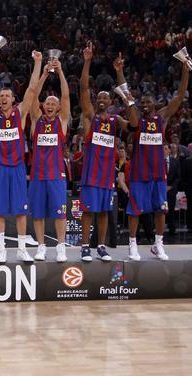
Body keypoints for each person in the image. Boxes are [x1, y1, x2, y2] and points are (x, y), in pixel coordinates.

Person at [79, 46, 138, 262]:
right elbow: (84, 89)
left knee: (104, 212)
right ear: (96, 101)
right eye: (100, 97)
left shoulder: (115, 121)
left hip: (106, 176)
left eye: (106, 97)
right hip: (90, 176)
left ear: (111, 102)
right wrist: (87, 61)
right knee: (87, 211)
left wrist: (127, 98)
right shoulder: (90, 117)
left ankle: (101, 246)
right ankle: (85, 247)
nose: (102, 99)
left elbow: (134, 124)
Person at [0, 47, 42, 263]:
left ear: (13, 99)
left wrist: (37, 64)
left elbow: (33, 89)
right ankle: (1, 250)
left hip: (17, 167)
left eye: (7, 95)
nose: (3, 97)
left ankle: (21, 248)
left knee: (20, 212)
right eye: (2, 96)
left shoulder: (21, 113)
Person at [126, 63, 188, 260]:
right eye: (142, 102)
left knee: (161, 210)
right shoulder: (136, 119)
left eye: (148, 102)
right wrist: (119, 72)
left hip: (157, 174)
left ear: (155, 104)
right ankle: (132, 245)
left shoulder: (162, 117)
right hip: (138, 173)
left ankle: (158, 244)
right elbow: (125, 94)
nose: (144, 105)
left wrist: (186, 70)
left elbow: (179, 96)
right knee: (135, 211)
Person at [27, 58, 71, 262]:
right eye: (48, 103)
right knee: (37, 213)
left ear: (59, 107)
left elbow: (66, 95)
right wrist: (44, 73)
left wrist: (60, 72)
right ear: (44, 106)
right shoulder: (37, 121)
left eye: (54, 103)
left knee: (60, 213)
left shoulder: (62, 122)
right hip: (37, 175)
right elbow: (34, 95)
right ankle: (41, 246)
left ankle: (61, 246)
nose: (51, 105)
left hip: (56, 176)